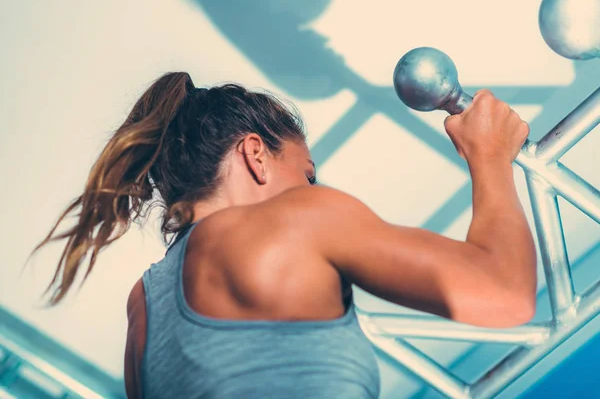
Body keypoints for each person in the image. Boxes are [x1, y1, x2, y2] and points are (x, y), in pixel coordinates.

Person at [31, 72, 536, 398]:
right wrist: (489, 157)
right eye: (307, 173)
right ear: (255, 154)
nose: (314, 188)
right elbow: (505, 293)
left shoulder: (143, 305)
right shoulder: (297, 217)